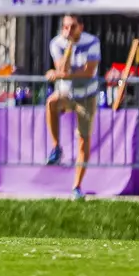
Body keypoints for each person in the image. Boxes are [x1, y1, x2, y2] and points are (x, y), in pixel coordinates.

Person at [44, 13, 101, 200]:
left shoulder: (92, 42)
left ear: (81, 27)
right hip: (67, 93)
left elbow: (88, 72)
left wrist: (59, 75)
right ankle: (56, 147)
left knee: (83, 141)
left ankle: (77, 186)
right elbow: (63, 68)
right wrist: (69, 46)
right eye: (65, 27)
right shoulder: (57, 43)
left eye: (72, 27)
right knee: (51, 102)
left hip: (87, 96)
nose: (68, 30)